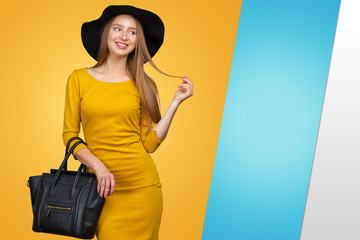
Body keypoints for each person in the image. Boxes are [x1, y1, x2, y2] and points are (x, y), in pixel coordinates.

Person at [62, 5, 193, 240]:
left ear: (138, 41)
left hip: (142, 189)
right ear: (105, 33)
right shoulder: (78, 79)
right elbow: (69, 135)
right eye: (118, 28)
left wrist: (176, 102)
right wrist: (99, 167)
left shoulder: (145, 84)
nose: (124, 36)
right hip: (102, 191)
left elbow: (150, 144)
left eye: (132, 32)